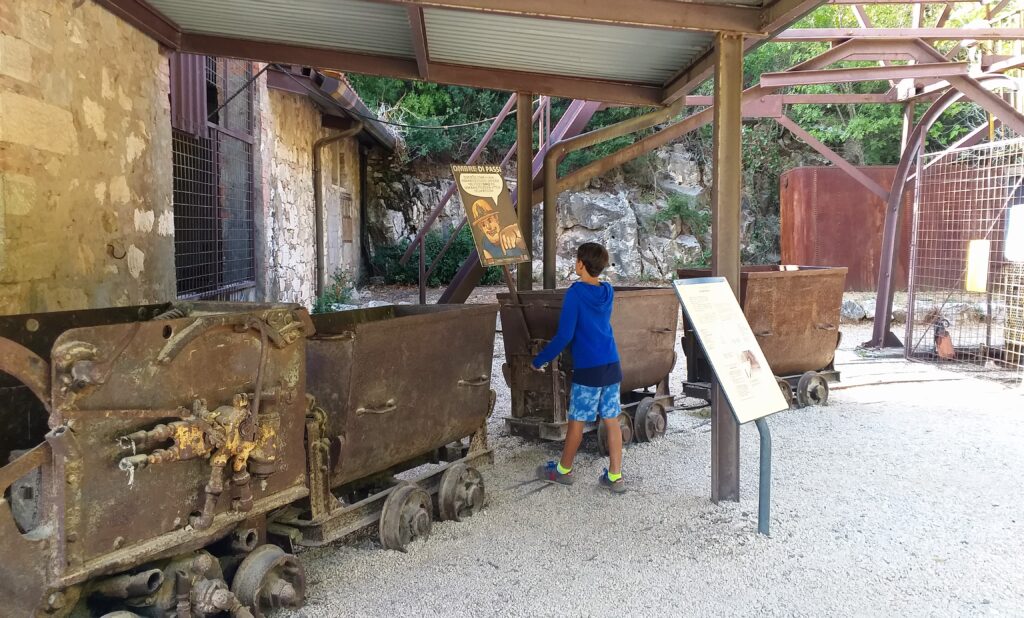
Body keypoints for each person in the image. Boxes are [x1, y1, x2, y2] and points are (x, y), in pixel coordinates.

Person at [533, 242, 625, 494]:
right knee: (612, 420)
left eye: (577, 259)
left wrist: (539, 360)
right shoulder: (608, 291)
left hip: (589, 369)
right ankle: (615, 476)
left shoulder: (575, 294)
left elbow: (564, 336)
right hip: (611, 364)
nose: (575, 262)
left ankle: (563, 471)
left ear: (582, 264)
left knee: (577, 421)